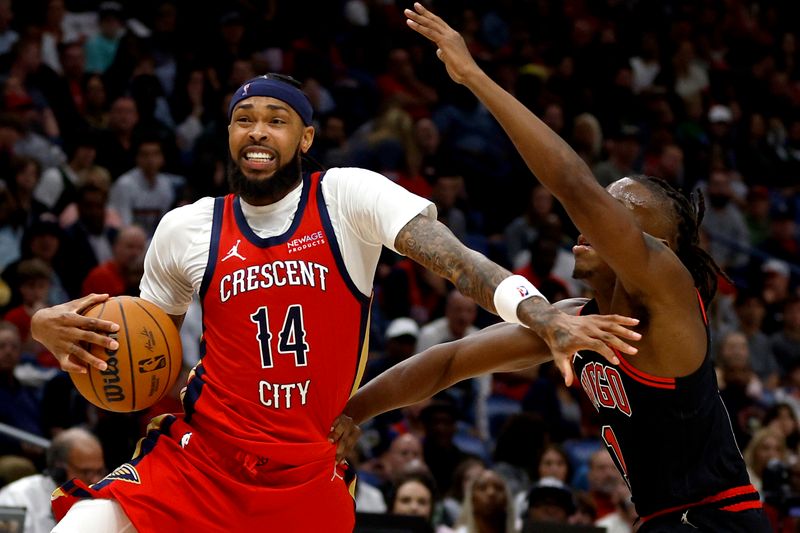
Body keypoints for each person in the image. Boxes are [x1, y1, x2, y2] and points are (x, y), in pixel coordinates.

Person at [30, 72, 638, 532]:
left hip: (306, 472)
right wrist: (50, 329)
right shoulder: (186, 227)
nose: (258, 130)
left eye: (276, 118)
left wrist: (539, 315)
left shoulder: (347, 196)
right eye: (244, 118)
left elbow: (460, 263)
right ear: (229, 134)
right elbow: (139, 354)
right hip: (201, 459)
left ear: (306, 137)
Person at [333, 5, 772, 531]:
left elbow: (573, 184)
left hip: (718, 519)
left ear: (658, 245)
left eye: (620, 214)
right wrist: (348, 414)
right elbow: (447, 363)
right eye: (604, 205)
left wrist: (474, 76)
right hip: (661, 520)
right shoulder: (573, 321)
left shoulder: (669, 290)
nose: (595, 218)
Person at [0, 427, 105, 533]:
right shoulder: (15, 498)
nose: (95, 480)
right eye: (86, 472)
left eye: (100, 471)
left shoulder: (100, 502)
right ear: (59, 470)